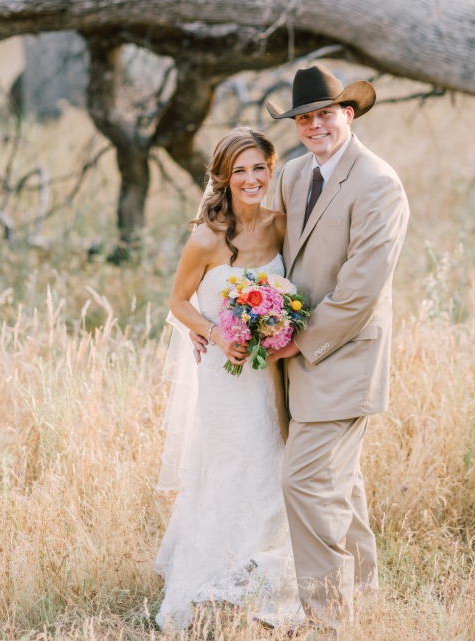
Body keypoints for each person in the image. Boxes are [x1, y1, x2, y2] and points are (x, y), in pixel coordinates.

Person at [261, 64, 410, 630]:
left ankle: (328, 619)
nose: (314, 125)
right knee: (341, 486)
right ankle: (367, 600)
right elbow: (270, 251)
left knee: (304, 481)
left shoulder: (378, 183)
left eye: (325, 113)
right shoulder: (295, 174)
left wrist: (293, 341)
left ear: (348, 113)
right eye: (304, 118)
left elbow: (360, 292)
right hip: (294, 356)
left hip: (343, 357)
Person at [154, 126, 303, 630]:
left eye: (259, 167)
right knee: (229, 466)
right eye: (239, 170)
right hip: (226, 374)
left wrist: (283, 324)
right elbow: (177, 302)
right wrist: (216, 333)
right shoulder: (206, 237)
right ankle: (214, 575)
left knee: (271, 464)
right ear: (223, 177)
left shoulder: (282, 225)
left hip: (273, 377)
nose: (251, 178)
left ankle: (260, 574)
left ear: (271, 168)